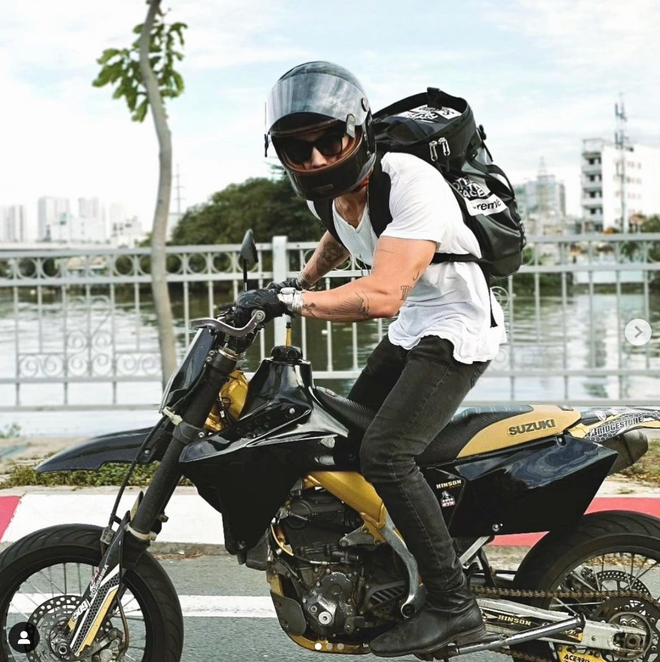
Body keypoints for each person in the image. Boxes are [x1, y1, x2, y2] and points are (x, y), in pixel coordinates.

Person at [234, 61, 506, 658]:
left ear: (357, 133)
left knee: (386, 453)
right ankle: (382, 559)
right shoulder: (331, 196)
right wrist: (299, 281)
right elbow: (342, 235)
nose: (315, 158)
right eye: (297, 149)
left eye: (330, 141)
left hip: (455, 326)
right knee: (343, 440)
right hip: (413, 329)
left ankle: (454, 606)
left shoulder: (409, 180)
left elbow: (382, 295)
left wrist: (289, 301)